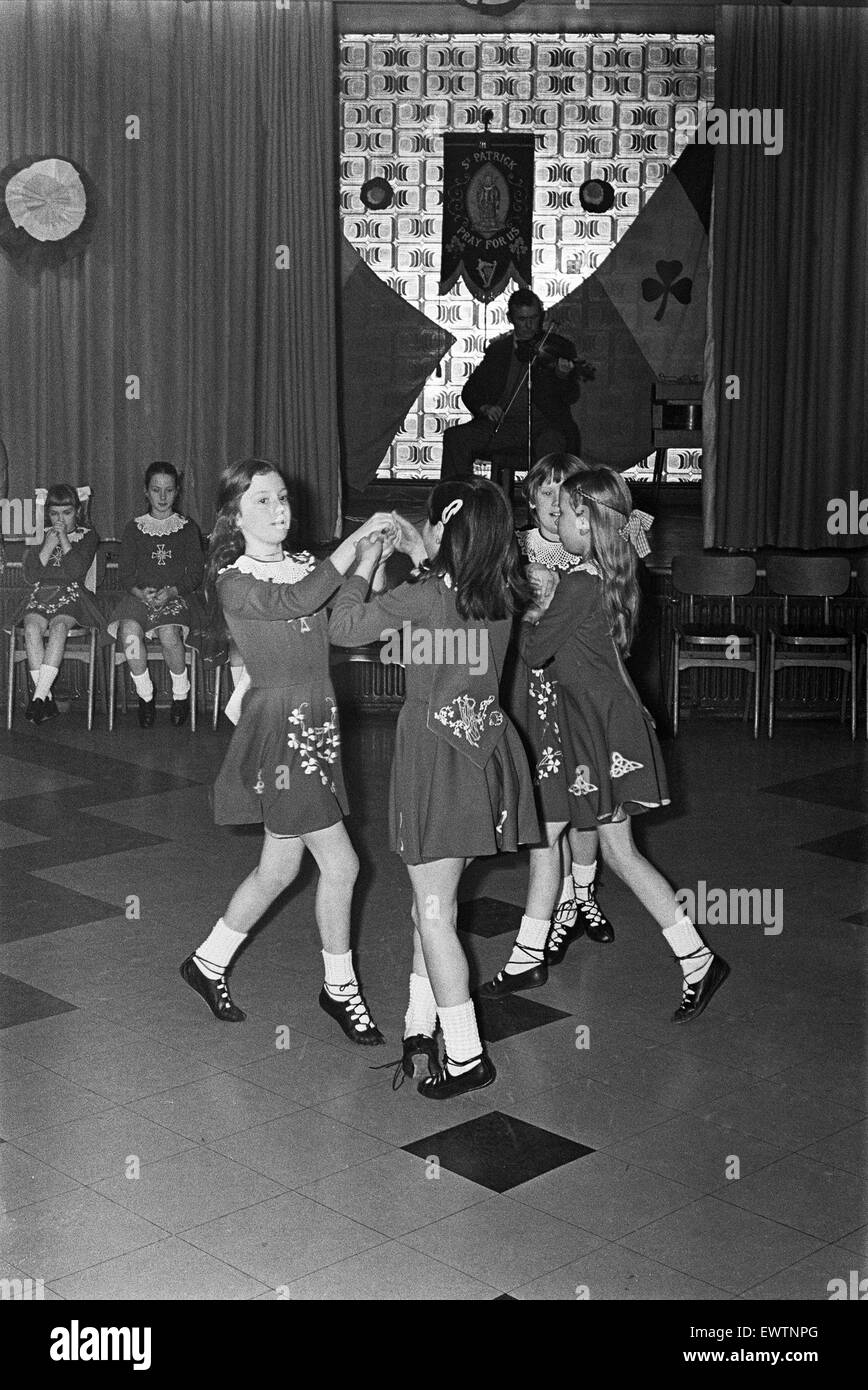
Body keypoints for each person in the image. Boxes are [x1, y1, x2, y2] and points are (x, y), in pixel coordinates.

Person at [481, 467, 730, 1024]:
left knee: (589, 844)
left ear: (587, 523)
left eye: (568, 513)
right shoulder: (613, 576)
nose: (560, 522)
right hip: (602, 720)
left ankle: (694, 957)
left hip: (598, 726)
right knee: (573, 838)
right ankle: (688, 957)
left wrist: (525, 604)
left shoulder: (577, 583)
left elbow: (536, 652)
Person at [328, 480, 540, 1098]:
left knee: (434, 914)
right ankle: (420, 1028)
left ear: (446, 533)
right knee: (433, 904)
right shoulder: (501, 594)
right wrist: (420, 550)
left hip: (436, 764)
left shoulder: (420, 599)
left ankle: (468, 1055)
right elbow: (446, 603)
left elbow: (343, 626)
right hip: (487, 756)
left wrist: (368, 557)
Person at [181, 458, 395, 1044]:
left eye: (282, 500)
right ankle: (340, 987)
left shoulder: (304, 565)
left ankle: (207, 961)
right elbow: (297, 602)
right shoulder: (233, 578)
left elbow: (342, 625)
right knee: (344, 864)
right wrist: (354, 540)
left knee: (279, 869)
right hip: (282, 733)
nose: (280, 512)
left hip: (316, 722)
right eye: (263, 502)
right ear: (235, 515)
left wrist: (370, 557)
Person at [500, 453, 615, 995]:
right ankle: (557, 902)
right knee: (551, 798)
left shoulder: (590, 551)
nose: (553, 505)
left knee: (586, 795)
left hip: (575, 687)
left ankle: (582, 896)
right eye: (545, 494)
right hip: (531, 686)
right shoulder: (516, 548)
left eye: (563, 495)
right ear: (531, 499)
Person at [440, 289, 582, 482]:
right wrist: (485, 407)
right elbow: (470, 390)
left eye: (533, 317)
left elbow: (571, 396)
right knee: (455, 438)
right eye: (522, 319)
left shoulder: (558, 347)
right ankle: (458, 500)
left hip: (546, 425)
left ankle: (546, 506)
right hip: (505, 427)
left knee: (552, 444)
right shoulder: (498, 350)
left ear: (542, 316)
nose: (529, 325)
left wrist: (562, 376)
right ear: (510, 318)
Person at [107, 463, 205, 728]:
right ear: (146, 492)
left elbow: (196, 574)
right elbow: (125, 574)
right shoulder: (134, 528)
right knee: (129, 633)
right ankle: (145, 695)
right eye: (156, 490)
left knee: (168, 633)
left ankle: (180, 694)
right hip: (140, 597)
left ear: (177, 492)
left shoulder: (187, 528)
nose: (162, 497)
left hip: (175, 596)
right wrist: (140, 592)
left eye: (169, 490)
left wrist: (172, 591)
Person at [15, 483, 103, 725]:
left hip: (73, 595)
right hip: (41, 593)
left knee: (58, 628)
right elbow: (31, 576)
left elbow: (76, 572)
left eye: (67, 513)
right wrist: (48, 545)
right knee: (31, 629)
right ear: (48, 513)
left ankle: (38, 698)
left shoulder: (88, 535)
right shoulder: (40, 534)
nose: (60, 519)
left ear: (77, 511)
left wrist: (63, 540)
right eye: (54, 513)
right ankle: (45, 699)